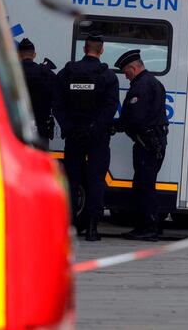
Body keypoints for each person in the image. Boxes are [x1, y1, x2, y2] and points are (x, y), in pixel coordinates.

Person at [53, 34, 119, 241]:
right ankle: (92, 228)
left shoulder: (67, 72)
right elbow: (110, 108)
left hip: (73, 136)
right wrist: (95, 128)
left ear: (84, 49)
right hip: (97, 137)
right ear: (102, 50)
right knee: (96, 179)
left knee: (72, 181)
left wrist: (70, 127)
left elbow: (58, 104)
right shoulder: (108, 76)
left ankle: (70, 226)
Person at [112, 49, 169, 241]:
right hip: (153, 142)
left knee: (144, 185)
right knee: (145, 184)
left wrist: (115, 126)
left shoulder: (141, 86)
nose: (125, 76)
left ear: (133, 68)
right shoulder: (152, 82)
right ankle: (149, 226)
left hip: (147, 144)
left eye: (126, 72)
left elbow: (135, 118)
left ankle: (148, 228)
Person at [17, 38, 55, 143]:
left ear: (18, 55)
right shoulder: (46, 73)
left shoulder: (9, 73)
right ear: (34, 55)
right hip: (41, 127)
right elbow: (57, 99)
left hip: (17, 127)